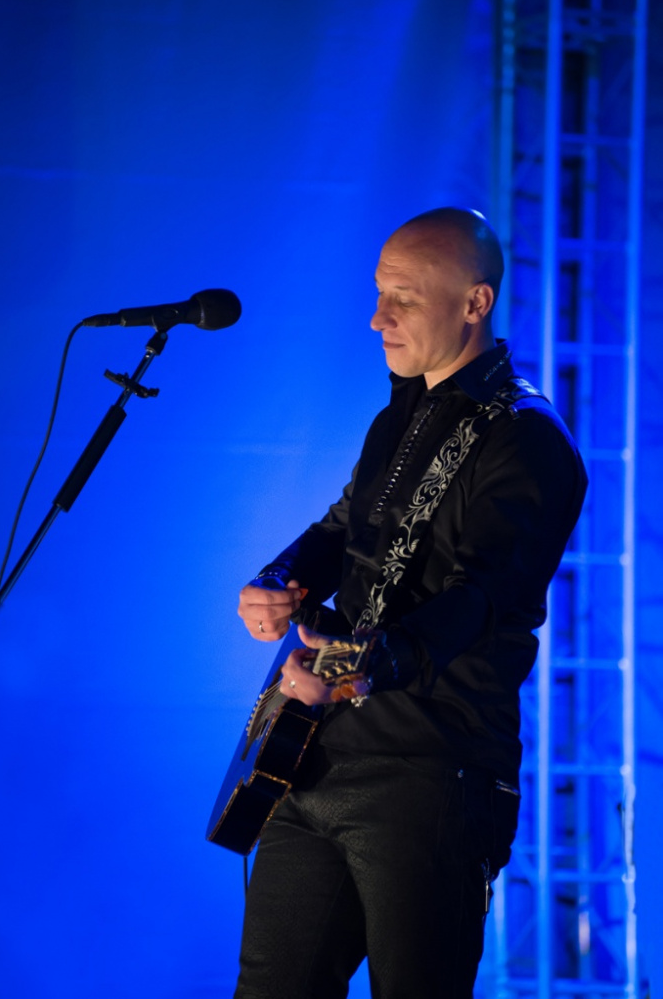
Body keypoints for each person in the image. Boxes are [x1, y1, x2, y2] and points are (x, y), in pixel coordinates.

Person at [232, 207, 587, 998]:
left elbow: (481, 597)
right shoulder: (396, 418)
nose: (377, 318)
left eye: (403, 298)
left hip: (432, 773)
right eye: (378, 293)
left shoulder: (528, 438)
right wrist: (280, 580)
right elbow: (341, 530)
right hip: (316, 756)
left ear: (475, 303)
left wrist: (352, 666)